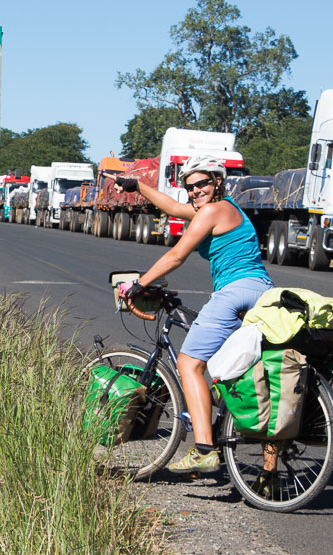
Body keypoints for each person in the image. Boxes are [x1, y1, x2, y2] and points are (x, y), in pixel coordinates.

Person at [111, 155, 273, 474]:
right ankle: (270, 471)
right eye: (190, 187)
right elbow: (173, 208)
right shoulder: (224, 209)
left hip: (234, 292)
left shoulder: (213, 210)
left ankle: (203, 449)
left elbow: (176, 255)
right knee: (253, 370)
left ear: (218, 181)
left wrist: (138, 285)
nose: (196, 191)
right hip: (263, 293)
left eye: (201, 183)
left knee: (189, 363)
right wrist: (138, 186)